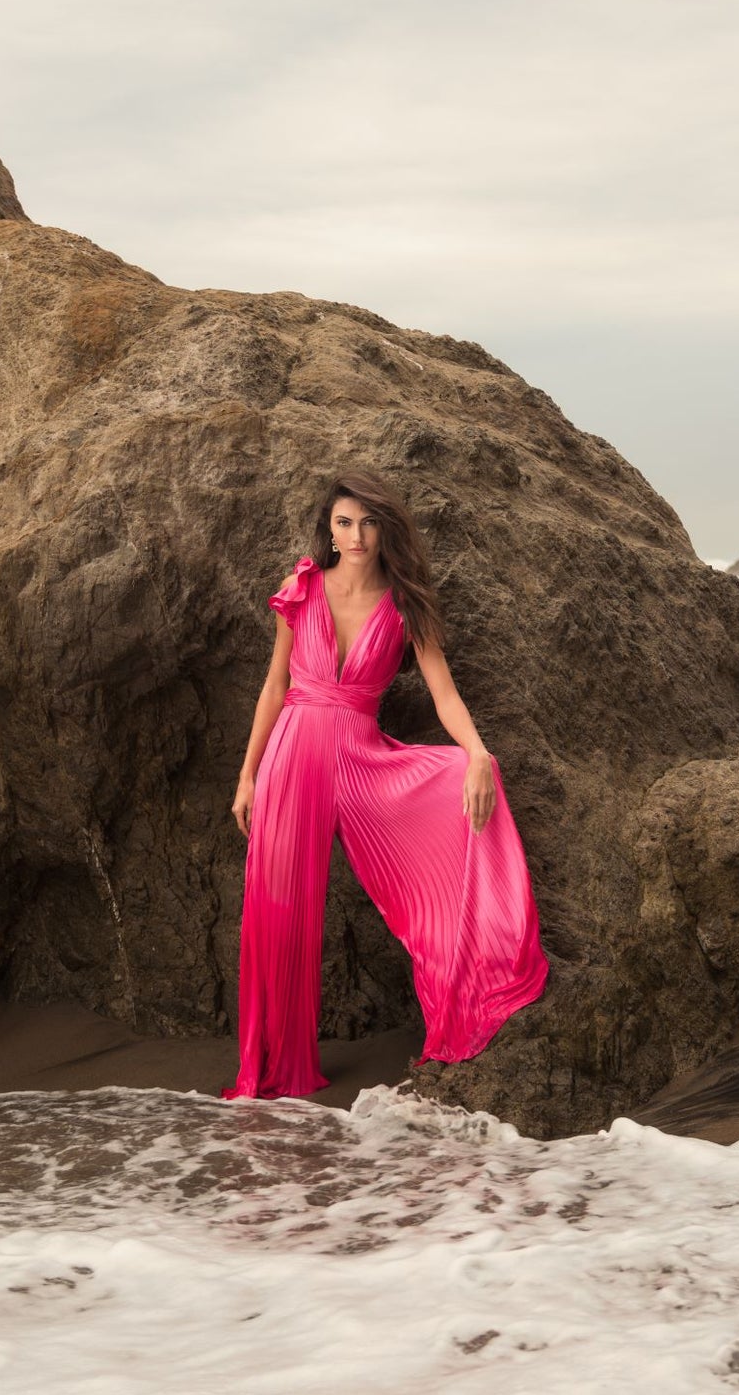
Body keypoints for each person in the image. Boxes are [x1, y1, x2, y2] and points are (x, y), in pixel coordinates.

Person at [220, 469, 549, 1101]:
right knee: (278, 916)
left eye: (368, 522)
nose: (357, 535)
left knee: (460, 785)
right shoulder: (302, 586)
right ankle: (275, 1073)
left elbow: (443, 692)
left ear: (384, 528)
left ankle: (476, 977)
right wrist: (247, 775)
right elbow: (275, 685)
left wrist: (477, 752)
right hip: (292, 757)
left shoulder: (405, 604)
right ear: (330, 530)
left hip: (367, 765)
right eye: (344, 523)